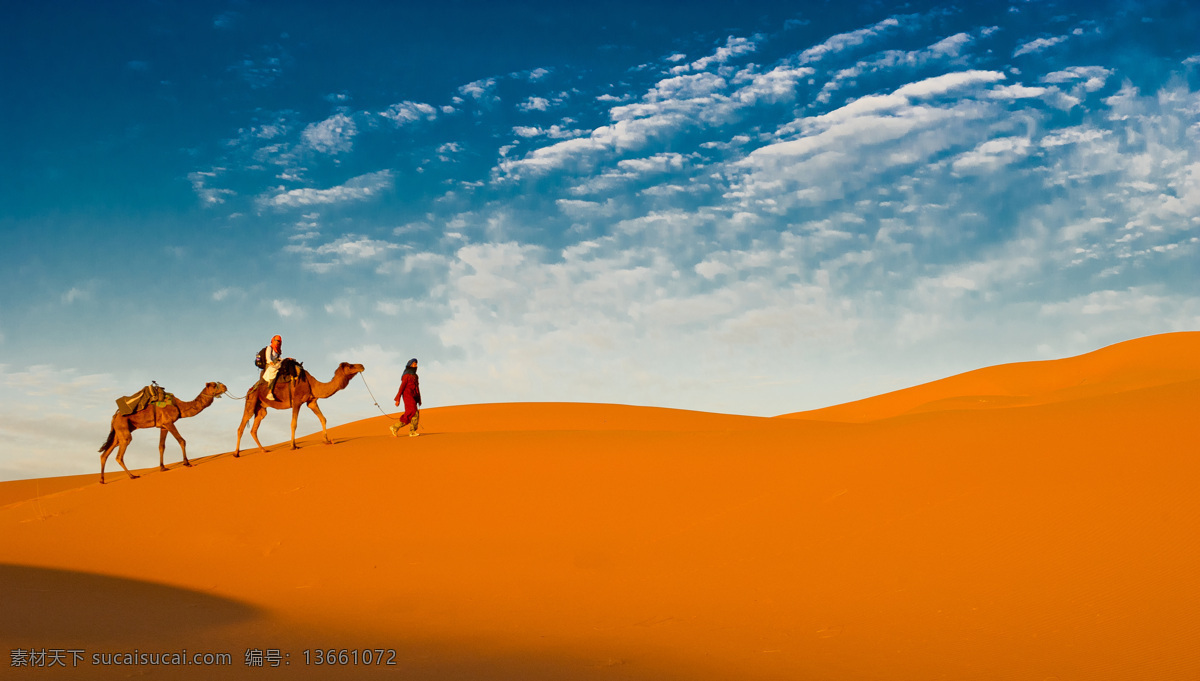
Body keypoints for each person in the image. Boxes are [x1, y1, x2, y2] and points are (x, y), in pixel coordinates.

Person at [390, 358, 422, 437]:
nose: (416, 365)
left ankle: (395, 427)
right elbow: (401, 387)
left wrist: (419, 399)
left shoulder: (415, 376)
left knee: (412, 414)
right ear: (410, 365)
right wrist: (398, 400)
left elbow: (417, 387)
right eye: (414, 364)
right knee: (413, 412)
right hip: (407, 396)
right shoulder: (406, 376)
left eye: (416, 364)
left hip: (413, 396)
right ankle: (412, 431)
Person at [259, 335, 284, 401]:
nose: (277, 342)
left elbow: (279, 359)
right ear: (273, 340)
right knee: (274, 371)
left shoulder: (278, 351)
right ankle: (269, 392)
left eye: (279, 341)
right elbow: (268, 359)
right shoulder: (269, 348)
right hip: (270, 365)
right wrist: (273, 364)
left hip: (276, 364)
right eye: (276, 340)